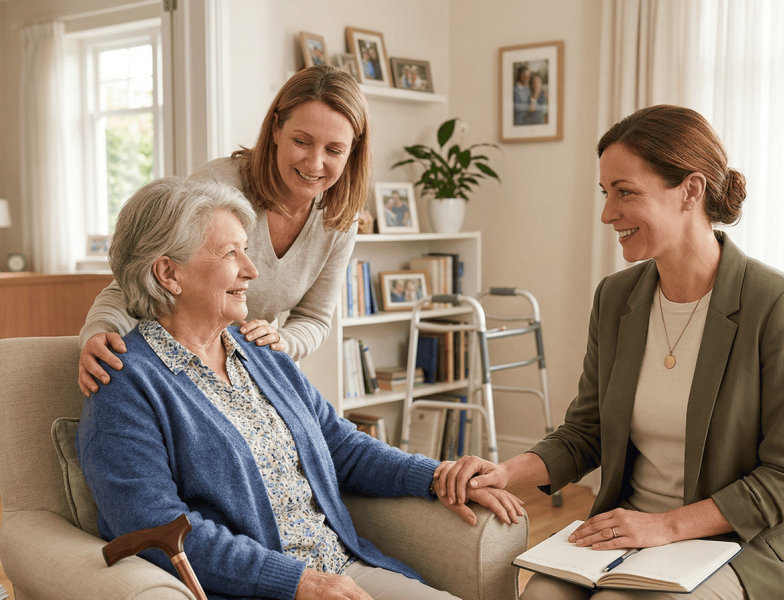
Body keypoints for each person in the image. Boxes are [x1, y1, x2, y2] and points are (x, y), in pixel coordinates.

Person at [440, 105, 784, 599]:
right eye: (606, 194)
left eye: (625, 192)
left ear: (691, 191)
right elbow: (586, 433)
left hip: (743, 545)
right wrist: (504, 472)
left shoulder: (777, 304)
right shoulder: (616, 297)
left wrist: (666, 526)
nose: (608, 213)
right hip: (628, 533)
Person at [77, 178, 524, 600]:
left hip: (340, 569)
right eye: (232, 253)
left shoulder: (260, 351)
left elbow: (342, 447)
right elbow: (155, 528)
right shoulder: (123, 383)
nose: (251, 271)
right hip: (262, 588)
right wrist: (296, 581)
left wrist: (437, 476)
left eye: (247, 250)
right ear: (169, 274)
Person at [78, 65, 366, 397]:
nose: (315, 163)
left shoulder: (341, 216)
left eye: (334, 150)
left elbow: (314, 318)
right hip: (177, 371)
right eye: (301, 141)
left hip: (253, 369)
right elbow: (137, 278)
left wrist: (282, 339)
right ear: (275, 129)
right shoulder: (216, 189)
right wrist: (99, 332)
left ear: (352, 152)